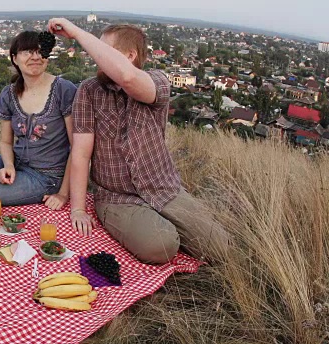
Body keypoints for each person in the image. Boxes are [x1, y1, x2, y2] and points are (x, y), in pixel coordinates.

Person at [47, 18, 230, 264]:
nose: (96, 58)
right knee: (161, 245)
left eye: (104, 51)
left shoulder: (157, 82)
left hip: (164, 188)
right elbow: (81, 154)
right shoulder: (89, 91)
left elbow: (127, 78)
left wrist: (78, 33)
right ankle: (155, 228)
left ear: (130, 55)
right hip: (116, 197)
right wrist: (78, 208)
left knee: (221, 248)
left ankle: (167, 224)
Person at [0, 31, 77, 210]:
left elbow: (76, 147)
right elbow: (6, 142)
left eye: (40, 52)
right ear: (14, 58)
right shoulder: (9, 94)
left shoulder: (64, 90)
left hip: (46, 177)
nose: (35, 57)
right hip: (15, 161)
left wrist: (63, 193)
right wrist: (8, 166)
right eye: (27, 52)